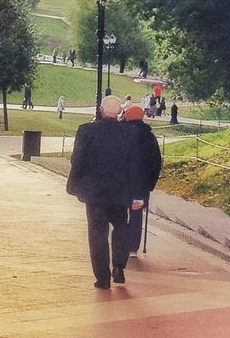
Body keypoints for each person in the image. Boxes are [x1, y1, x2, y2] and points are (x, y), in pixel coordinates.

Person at [65, 95, 157, 289]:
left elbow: (78, 159)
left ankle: (102, 277)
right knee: (122, 227)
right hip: (120, 191)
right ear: (120, 112)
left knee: (97, 232)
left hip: (94, 192)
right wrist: (138, 194)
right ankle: (119, 266)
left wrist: (73, 184)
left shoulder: (86, 131)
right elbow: (135, 166)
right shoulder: (130, 134)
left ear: (100, 108)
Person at [120, 101, 164, 257]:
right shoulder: (149, 137)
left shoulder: (121, 134)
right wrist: (150, 184)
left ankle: (121, 243)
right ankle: (133, 247)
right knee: (136, 215)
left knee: (120, 213)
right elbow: (156, 162)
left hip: (122, 182)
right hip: (142, 184)